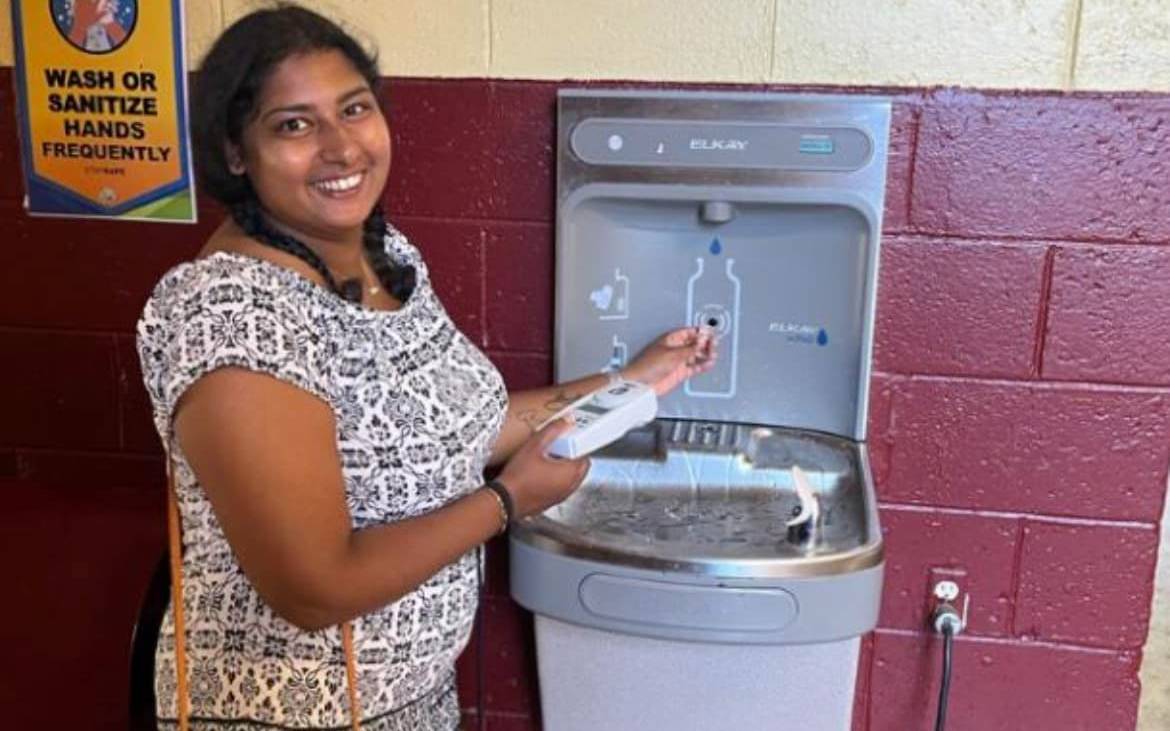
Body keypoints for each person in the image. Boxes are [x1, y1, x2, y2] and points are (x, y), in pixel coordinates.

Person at [136, 5, 715, 730]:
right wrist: (506, 502)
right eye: (295, 124)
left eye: (355, 109)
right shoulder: (232, 313)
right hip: (284, 715)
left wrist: (633, 379)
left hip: (407, 706)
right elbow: (312, 586)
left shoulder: (386, 257)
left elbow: (458, 426)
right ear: (234, 151)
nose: (342, 148)